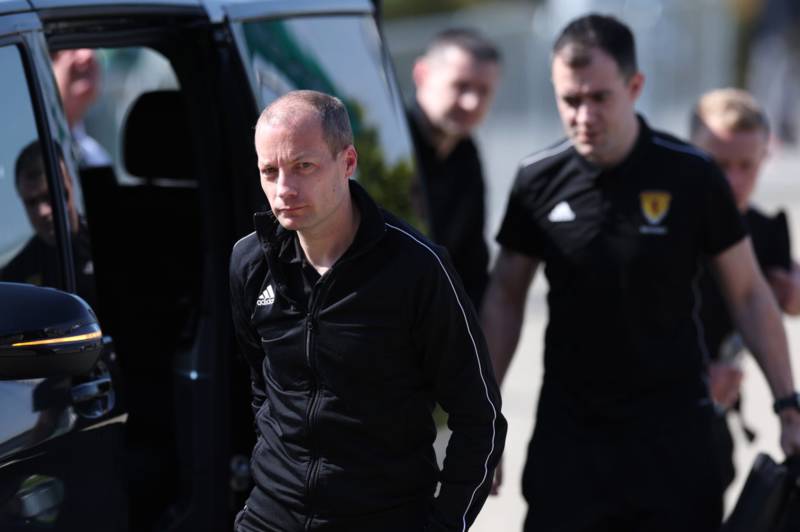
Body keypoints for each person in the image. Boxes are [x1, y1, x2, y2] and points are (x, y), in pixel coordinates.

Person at [481, 14, 800, 532]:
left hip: (674, 438)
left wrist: (788, 405)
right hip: (571, 438)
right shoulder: (538, 179)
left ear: (634, 87)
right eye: (570, 100)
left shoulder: (691, 175)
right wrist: (484, 417)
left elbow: (749, 294)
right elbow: (505, 298)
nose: (584, 115)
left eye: (599, 97)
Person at [229, 90, 506, 532]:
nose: (284, 190)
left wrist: (443, 524)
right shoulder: (250, 262)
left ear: (348, 162)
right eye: (270, 171)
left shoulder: (417, 269)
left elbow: (480, 418)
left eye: (303, 166)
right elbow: (264, 388)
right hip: (270, 518)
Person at [690, 87, 800, 491]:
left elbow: (781, 300)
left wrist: (791, 294)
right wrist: (693, 376)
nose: (732, 180)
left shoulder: (765, 231)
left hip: (717, 421)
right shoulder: (663, 226)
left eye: (745, 165)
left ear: (765, 158)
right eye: (719, 165)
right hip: (651, 413)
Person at [408, 29, 501, 310]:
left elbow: (472, 261)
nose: (472, 103)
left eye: (483, 91)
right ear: (422, 75)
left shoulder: (466, 153)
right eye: (460, 86)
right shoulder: (391, 143)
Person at [1, 140, 96, 307]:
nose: (41, 212)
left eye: (48, 196)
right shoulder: (16, 279)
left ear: (69, 184)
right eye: (31, 202)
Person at [51, 48, 110, 167]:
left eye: (93, 47)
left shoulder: (95, 156)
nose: (88, 55)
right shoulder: (34, 153)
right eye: (71, 47)